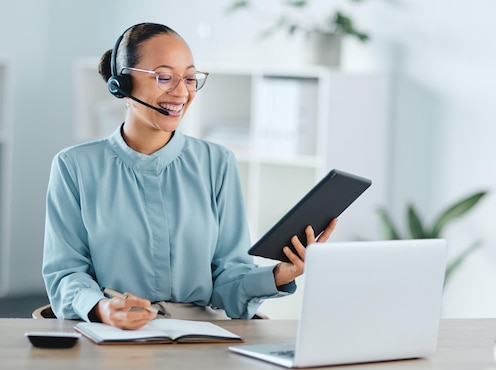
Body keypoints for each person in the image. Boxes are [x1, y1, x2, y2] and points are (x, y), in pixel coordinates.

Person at [42, 22, 337, 330]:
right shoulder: (74, 167)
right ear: (122, 84)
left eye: (190, 78)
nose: (182, 92)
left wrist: (279, 275)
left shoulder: (217, 163)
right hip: (114, 333)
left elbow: (228, 280)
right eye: (165, 77)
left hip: (201, 337)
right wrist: (103, 309)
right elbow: (65, 275)